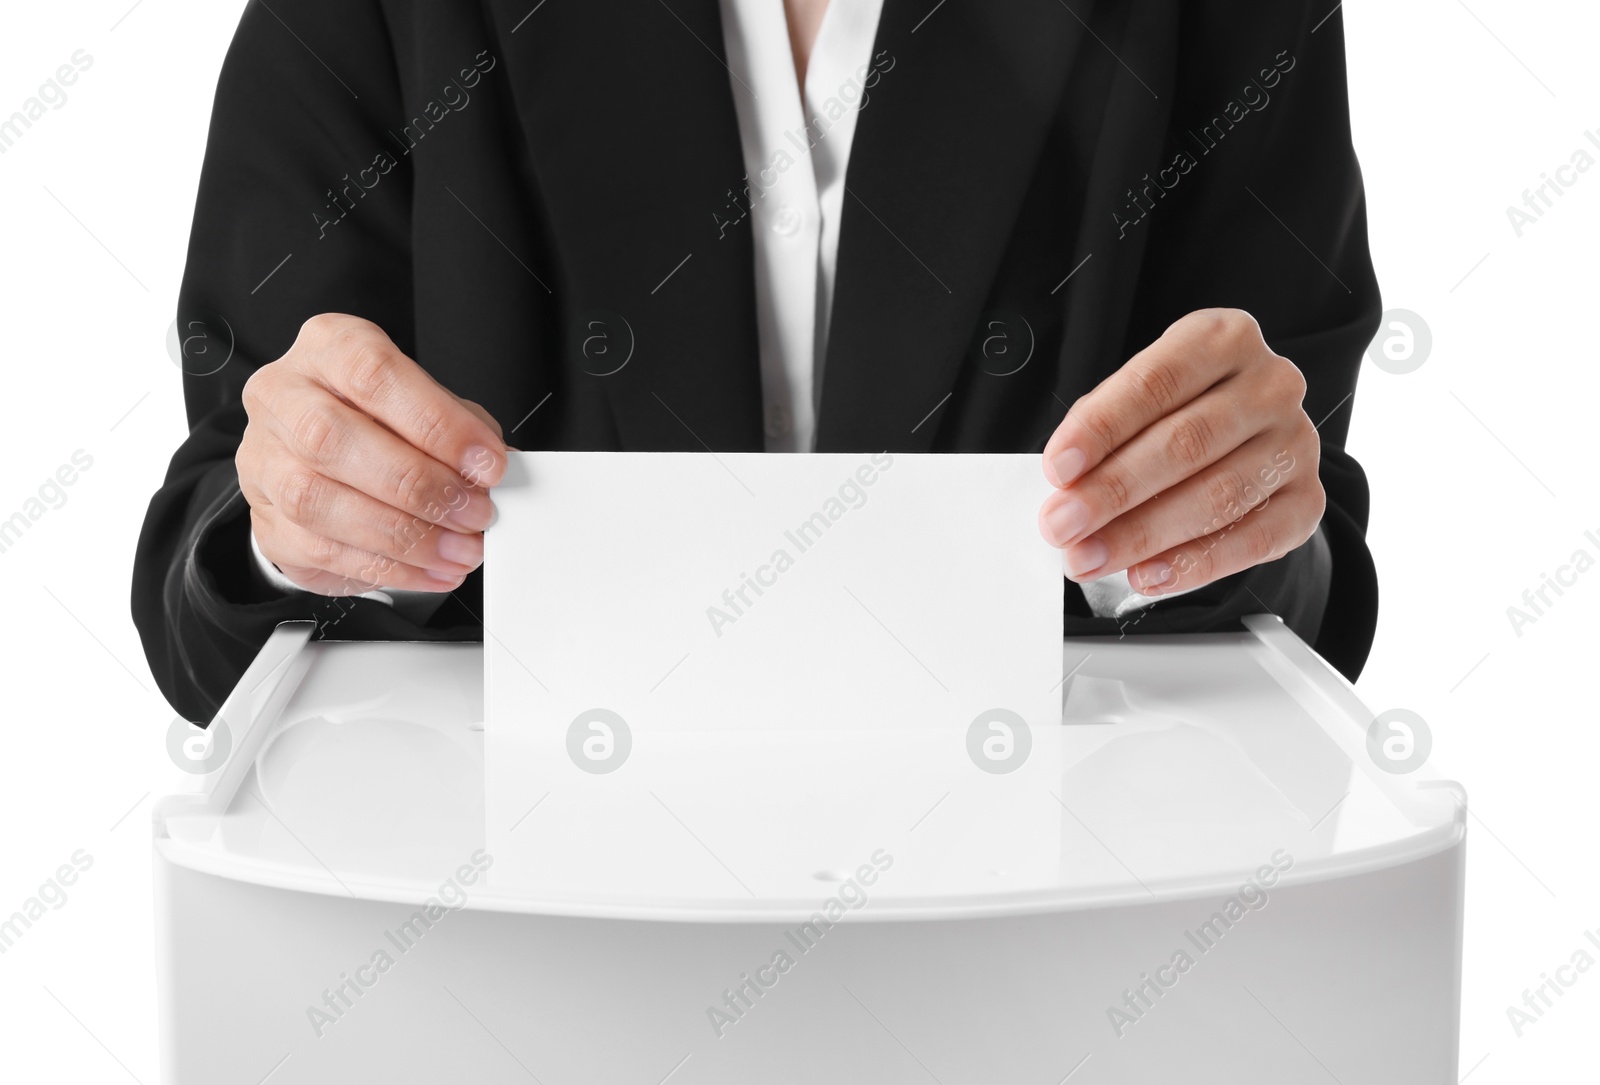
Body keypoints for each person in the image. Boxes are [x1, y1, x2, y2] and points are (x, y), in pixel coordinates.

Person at [133, 0, 1381, 721]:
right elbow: (211, 581)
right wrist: (296, 527)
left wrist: (1234, 517)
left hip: (1050, 949)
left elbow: (1303, 583)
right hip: (503, 955)